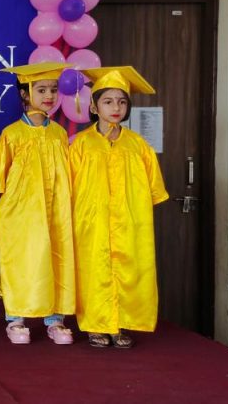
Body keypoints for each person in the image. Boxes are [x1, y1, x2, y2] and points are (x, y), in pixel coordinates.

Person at [72, 66, 168, 349]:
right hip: (91, 221)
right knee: (93, 270)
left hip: (129, 221)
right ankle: (96, 325)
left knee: (130, 269)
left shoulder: (138, 146)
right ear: (93, 105)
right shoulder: (80, 145)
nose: (116, 107)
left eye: (122, 101)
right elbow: (69, 186)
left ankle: (120, 324)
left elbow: (154, 189)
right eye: (108, 101)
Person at [0, 62, 76, 345]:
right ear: (26, 94)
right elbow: (1, 180)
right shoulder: (12, 134)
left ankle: (55, 319)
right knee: (23, 258)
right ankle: (15, 317)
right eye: (41, 90)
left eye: (53, 89)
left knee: (55, 256)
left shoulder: (59, 134)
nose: (49, 95)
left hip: (56, 208)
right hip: (22, 210)